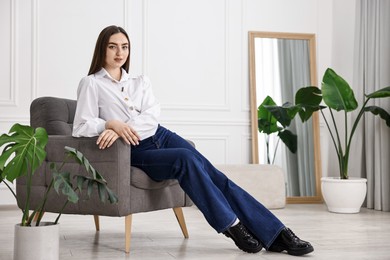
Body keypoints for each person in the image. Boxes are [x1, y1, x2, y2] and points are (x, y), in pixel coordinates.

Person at [72, 25, 314, 256]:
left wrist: (123, 125)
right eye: (113, 46)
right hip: (132, 149)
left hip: (161, 135)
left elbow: (152, 116)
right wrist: (109, 124)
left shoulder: (140, 81)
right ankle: (232, 225)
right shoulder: (91, 83)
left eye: (124, 46)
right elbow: (81, 126)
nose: (120, 53)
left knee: (216, 176)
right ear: (102, 49)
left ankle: (276, 233)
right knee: (185, 158)